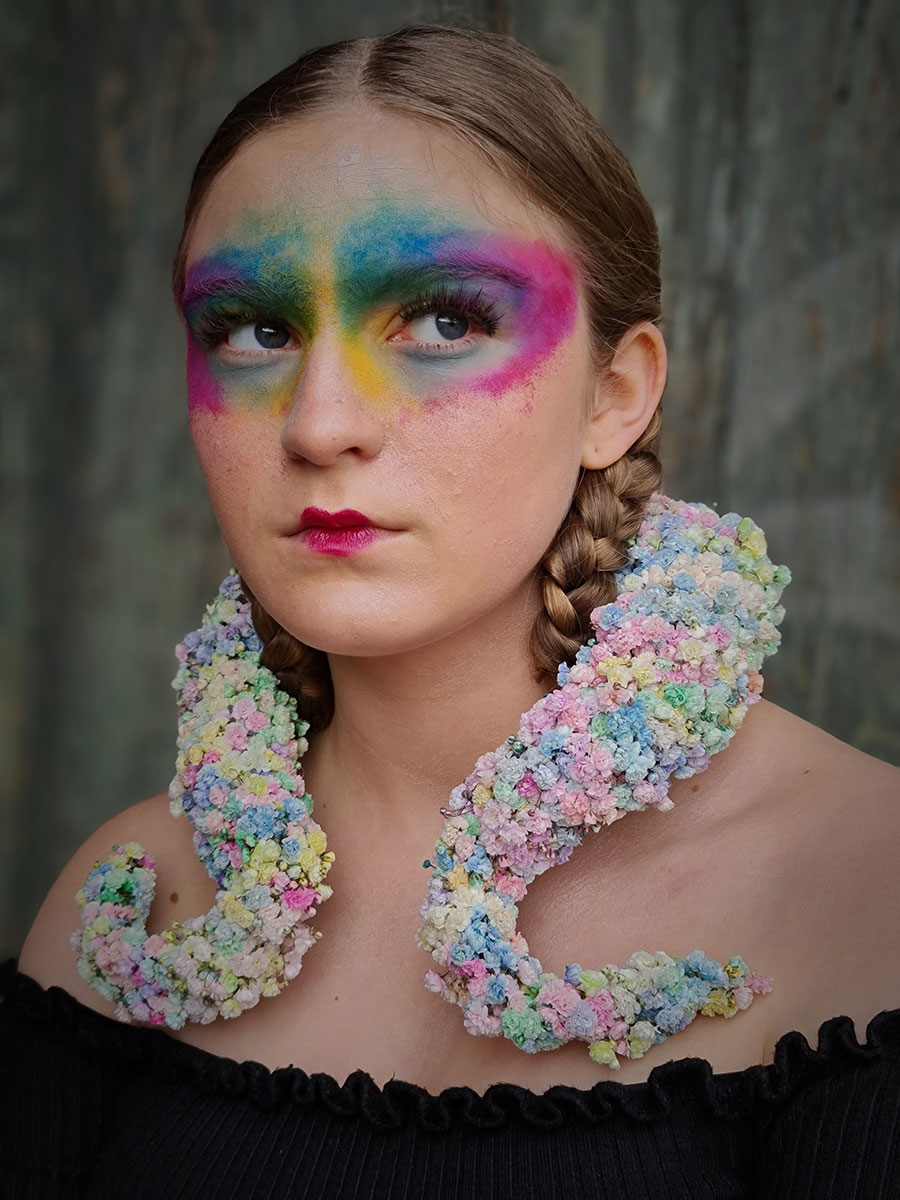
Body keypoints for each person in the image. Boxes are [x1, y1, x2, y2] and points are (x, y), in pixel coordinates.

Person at [2, 22, 898, 1200]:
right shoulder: (119, 915)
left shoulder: (863, 887)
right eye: (256, 331)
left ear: (615, 395)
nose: (320, 425)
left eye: (442, 321)